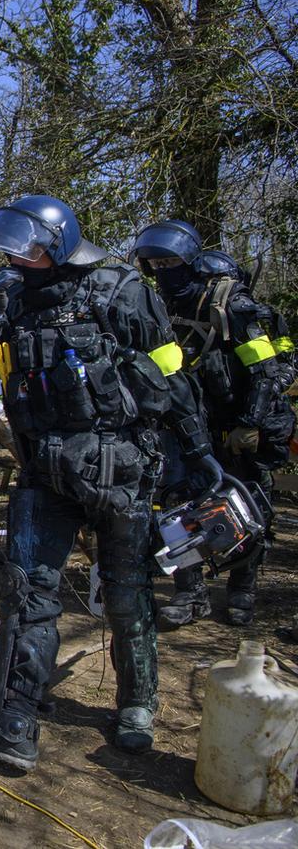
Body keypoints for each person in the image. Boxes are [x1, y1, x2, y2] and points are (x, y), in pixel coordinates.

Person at [0, 196, 221, 769]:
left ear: (60, 241)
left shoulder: (120, 289)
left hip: (121, 468)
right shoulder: (9, 294)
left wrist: (198, 452)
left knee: (126, 588)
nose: (18, 258)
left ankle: (137, 704)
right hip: (44, 470)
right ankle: (14, 717)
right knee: (26, 590)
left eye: (30, 248)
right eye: (13, 250)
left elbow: (171, 373)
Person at [131, 220, 296, 627]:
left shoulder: (235, 307)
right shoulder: (162, 307)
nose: (163, 270)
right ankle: (191, 594)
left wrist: (251, 423)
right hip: (189, 423)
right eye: (155, 264)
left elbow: (266, 370)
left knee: (250, 506)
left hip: (241, 426)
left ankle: (243, 589)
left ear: (188, 261)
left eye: (170, 261)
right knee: (177, 505)